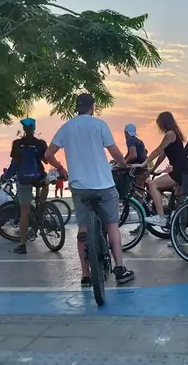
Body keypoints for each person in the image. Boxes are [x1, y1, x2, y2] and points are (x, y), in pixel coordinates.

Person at [44, 93, 135, 286]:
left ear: (76, 108)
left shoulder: (66, 127)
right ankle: (120, 269)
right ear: (92, 108)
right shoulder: (99, 125)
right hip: (104, 185)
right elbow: (114, 151)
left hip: (79, 187)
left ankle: (85, 275)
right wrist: (123, 164)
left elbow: (48, 154)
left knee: (83, 228)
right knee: (112, 225)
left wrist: (60, 168)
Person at [6, 118, 50, 255]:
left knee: (24, 211)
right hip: (38, 178)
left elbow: (14, 165)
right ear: (34, 128)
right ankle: (42, 206)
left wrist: (6, 176)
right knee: (46, 182)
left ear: (24, 129)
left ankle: (23, 245)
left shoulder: (17, 144)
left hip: (23, 180)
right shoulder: (40, 143)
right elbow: (46, 161)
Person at [141, 112, 188, 227]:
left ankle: (161, 218)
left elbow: (158, 150)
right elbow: (162, 155)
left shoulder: (170, 134)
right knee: (181, 204)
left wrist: (143, 163)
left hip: (179, 171)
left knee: (153, 185)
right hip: (185, 170)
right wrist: (152, 169)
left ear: (163, 123)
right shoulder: (175, 135)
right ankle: (180, 233)